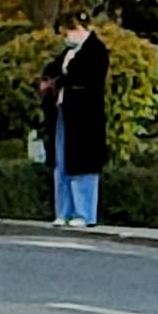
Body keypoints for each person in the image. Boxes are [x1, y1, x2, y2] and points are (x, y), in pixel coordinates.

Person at [42, 13, 111, 229]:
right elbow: (53, 70)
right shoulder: (69, 53)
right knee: (62, 162)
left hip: (85, 118)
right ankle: (64, 211)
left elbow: (83, 78)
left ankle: (84, 212)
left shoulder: (96, 51)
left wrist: (61, 80)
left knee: (82, 165)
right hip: (65, 113)